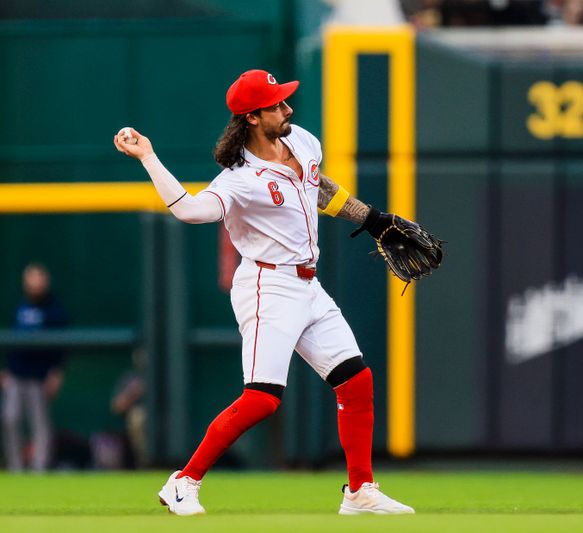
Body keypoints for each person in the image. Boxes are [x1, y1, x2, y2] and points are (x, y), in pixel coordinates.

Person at [113, 69, 415, 515]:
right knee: (261, 398)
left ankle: (359, 491)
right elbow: (192, 211)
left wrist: (373, 220)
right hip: (266, 285)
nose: (287, 108)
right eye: (276, 104)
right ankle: (183, 482)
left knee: (356, 381)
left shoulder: (303, 142)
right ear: (252, 117)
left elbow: (319, 188)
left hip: (309, 284)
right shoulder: (239, 179)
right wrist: (150, 158)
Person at [2, 262, 68, 472]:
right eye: (32, 278)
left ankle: (40, 469)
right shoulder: (20, 306)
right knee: (10, 418)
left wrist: (56, 372)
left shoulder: (55, 310)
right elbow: (10, 339)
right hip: (16, 374)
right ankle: (16, 467)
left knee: (40, 424)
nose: (36, 283)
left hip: (39, 376)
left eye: (39, 278)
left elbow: (62, 345)